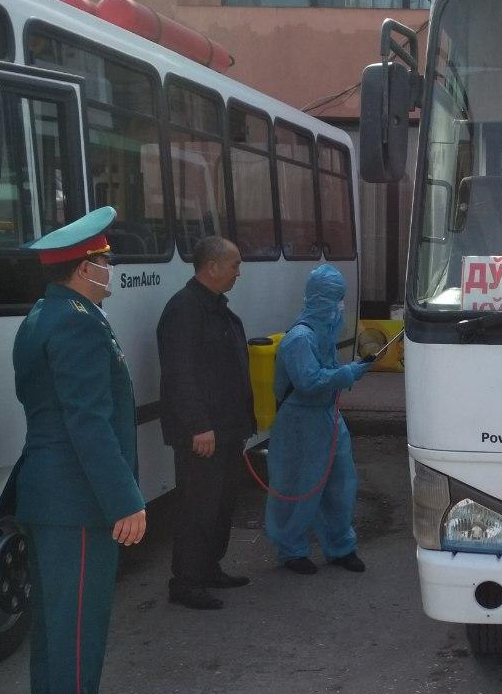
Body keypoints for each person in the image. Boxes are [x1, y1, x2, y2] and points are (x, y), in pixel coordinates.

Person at [8, 205, 146, 694]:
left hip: (49, 491)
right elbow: (88, 422)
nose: (111, 271)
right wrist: (125, 500)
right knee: (78, 624)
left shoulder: (43, 314)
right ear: (85, 267)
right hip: (77, 497)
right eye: (105, 261)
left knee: (55, 620)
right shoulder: (79, 323)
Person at [156, 236, 256, 609]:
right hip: (203, 434)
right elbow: (180, 374)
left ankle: (209, 568)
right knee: (197, 508)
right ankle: (186, 582)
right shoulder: (184, 309)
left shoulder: (216, 308)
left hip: (227, 429)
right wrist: (198, 425)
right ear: (212, 267)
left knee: (221, 505)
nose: (238, 273)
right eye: (235, 265)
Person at [265, 265, 371, 574]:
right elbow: (309, 382)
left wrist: (348, 371)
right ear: (321, 299)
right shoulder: (300, 338)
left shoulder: (323, 335)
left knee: (340, 484)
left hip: (328, 417)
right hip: (300, 422)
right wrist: (347, 374)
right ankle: (291, 550)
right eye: (337, 299)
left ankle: (340, 547)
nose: (341, 306)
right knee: (298, 487)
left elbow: (326, 373)